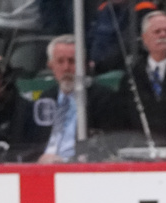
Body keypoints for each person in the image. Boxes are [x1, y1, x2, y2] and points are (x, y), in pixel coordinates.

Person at [113, 10, 166, 156]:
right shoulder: (132, 75)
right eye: (157, 31)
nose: (163, 35)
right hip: (140, 152)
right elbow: (122, 117)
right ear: (144, 38)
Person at [34, 35, 116, 163]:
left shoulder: (101, 97)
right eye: (60, 61)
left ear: (83, 65)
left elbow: (107, 145)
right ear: (51, 65)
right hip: (43, 167)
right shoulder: (46, 98)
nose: (66, 68)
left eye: (72, 61)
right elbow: (30, 143)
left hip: (80, 168)